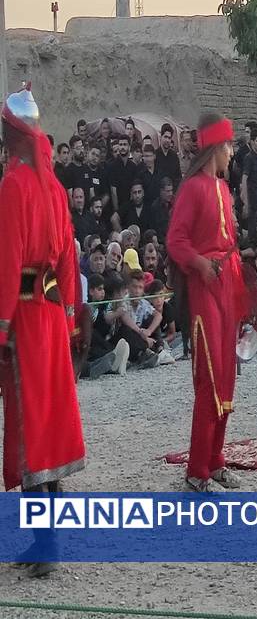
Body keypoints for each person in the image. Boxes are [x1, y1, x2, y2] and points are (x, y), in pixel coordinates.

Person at [0, 87, 86, 577]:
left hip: (29, 318)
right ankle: (47, 536)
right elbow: (69, 258)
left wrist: (1, 326)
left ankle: (44, 544)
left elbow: (9, 262)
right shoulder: (52, 185)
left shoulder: (14, 185)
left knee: (32, 428)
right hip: (54, 315)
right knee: (49, 422)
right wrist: (71, 315)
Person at [167, 112, 253, 493]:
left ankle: (216, 460)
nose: (233, 154)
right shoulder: (192, 189)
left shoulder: (223, 189)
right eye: (230, 146)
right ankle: (196, 469)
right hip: (205, 289)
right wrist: (200, 264)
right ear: (216, 148)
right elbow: (176, 241)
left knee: (228, 375)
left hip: (227, 284)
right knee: (210, 377)